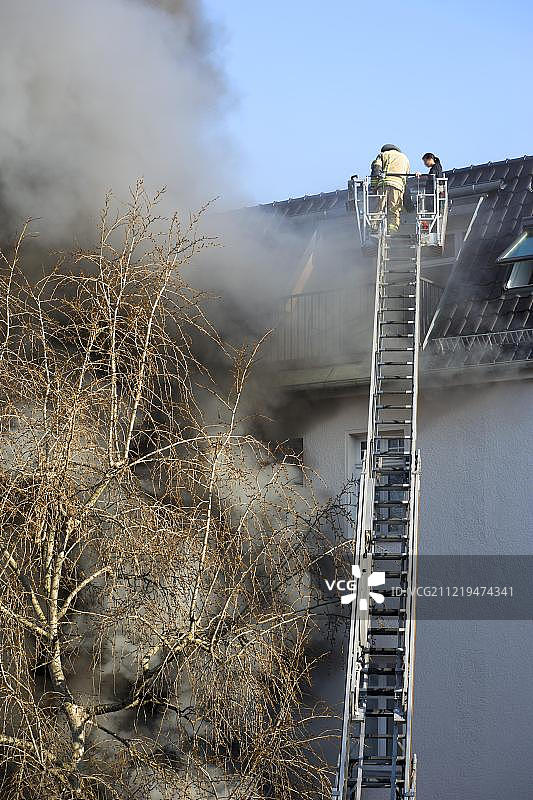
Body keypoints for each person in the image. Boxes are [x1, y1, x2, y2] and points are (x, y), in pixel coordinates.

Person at [370, 144, 410, 233]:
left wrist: (373, 186)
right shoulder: (405, 158)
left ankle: (374, 226)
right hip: (398, 186)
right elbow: (406, 176)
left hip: (383, 185)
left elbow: (376, 170)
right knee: (394, 208)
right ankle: (393, 230)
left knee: (379, 207)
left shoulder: (383, 155)